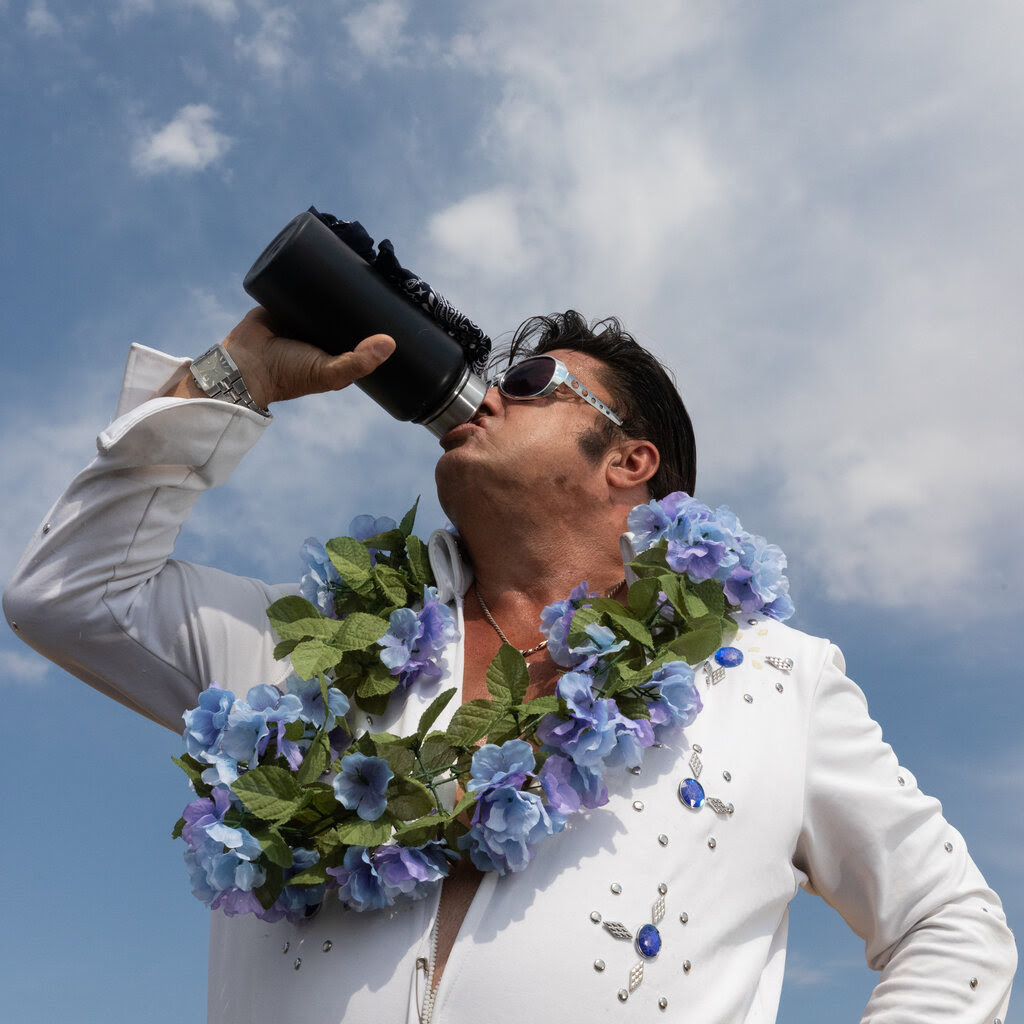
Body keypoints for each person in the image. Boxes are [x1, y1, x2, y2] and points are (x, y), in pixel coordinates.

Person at [4, 308, 1015, 1023]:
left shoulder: (769, 677)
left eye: (528, 385)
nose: (482, 395)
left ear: (630, 462)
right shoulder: (300, 654)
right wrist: (236, 373)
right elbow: (65, 593)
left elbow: (949, 923)